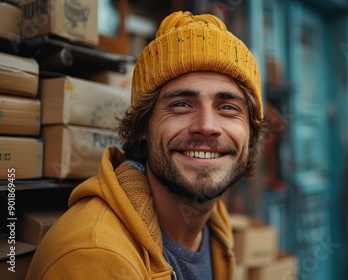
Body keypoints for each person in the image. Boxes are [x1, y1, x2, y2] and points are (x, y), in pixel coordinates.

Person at [26, 10, 266, 280]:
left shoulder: (212, 217)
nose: (207, 125)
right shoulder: (93, 257)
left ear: (251, 131)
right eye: (181, 104)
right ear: (143, 127)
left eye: (228, 107)